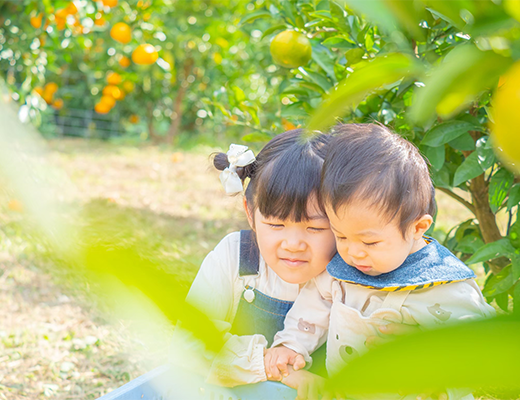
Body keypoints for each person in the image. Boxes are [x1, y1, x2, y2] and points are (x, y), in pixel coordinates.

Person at [265, 123, 495, 399]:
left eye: (370, 242)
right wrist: (291, 345)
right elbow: (315, 303)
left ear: (417, 228)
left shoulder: (442, 285)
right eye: (341, 236)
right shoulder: (344, 270)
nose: (354, 252)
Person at [170, 129, 337, 387]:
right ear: (251, 213)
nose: (293, 245)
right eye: (276, 225)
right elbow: (189, 343)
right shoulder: (235, 257)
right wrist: (270, 365)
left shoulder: (353, 274)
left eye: (315, 228)